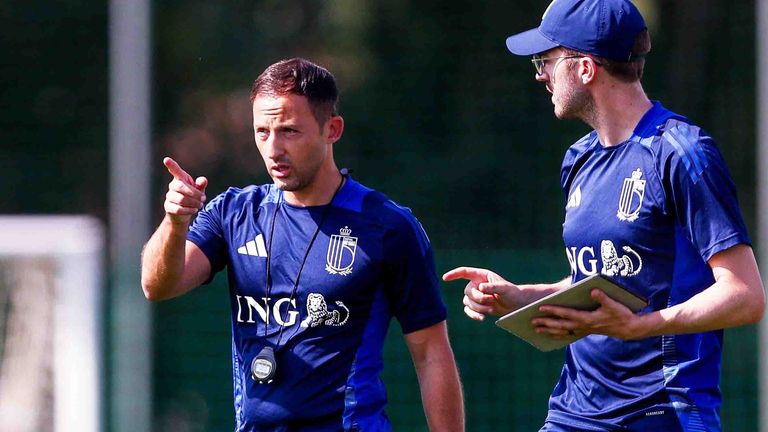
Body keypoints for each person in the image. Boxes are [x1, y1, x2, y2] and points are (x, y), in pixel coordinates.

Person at [442, 1, 765, 431]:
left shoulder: (681, 153)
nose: (540, 74)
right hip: (574, 412)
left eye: (547, 60)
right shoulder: (578, 159)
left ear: (586, 68)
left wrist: (642, 327)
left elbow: (745, 295)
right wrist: (520, 295)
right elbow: (595, 282)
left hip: (662, 410)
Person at [141, 57, 464, 431]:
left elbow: (430, 354)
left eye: (289, 131)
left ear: (333, 130)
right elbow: (157, 285)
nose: (273, 148)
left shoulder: (388, 226)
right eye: (262, 131)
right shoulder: (233, 213)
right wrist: (175, 222)